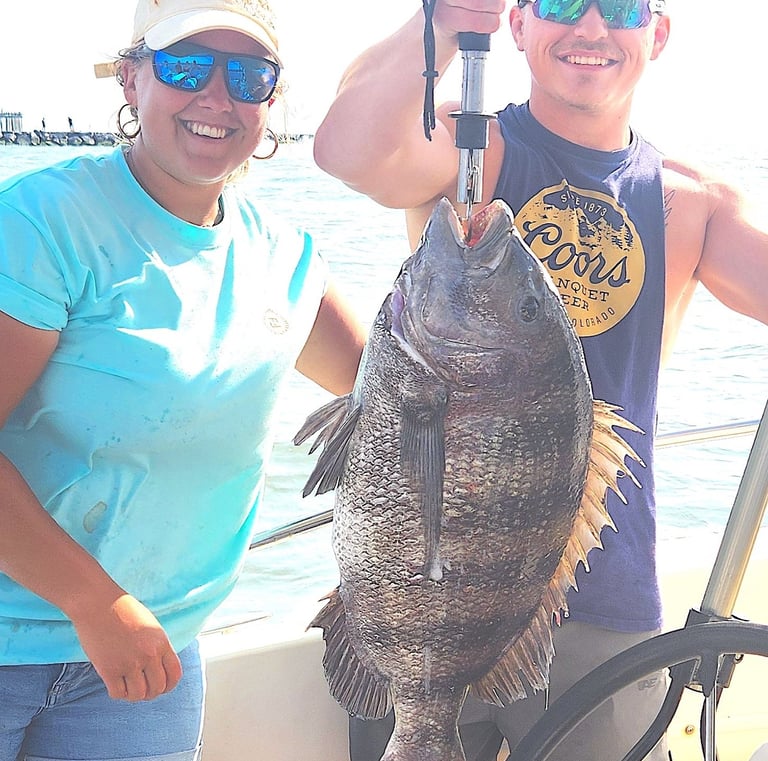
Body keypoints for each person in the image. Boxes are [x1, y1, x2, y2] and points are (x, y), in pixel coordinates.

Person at [312, 1, 768, 759]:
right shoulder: (470, 147)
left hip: (605, 599)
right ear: (518, 27)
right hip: (417, 592)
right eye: (560, 2)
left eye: (620, 6)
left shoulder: (695, 201)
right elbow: (346, 150)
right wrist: (447, 18)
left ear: (656, 34)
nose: (590, 27)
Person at [0, 0, 365, 759]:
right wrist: (93, 603)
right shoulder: (43, 221)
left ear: (272, 98)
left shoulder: (286, 259)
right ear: (132, 80)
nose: (217, 96)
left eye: (249, 74)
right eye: (186, 66)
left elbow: (409, 393)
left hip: (154, 652)